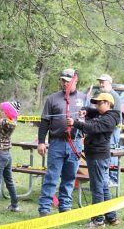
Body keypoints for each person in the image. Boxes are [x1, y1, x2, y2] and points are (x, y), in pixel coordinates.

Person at [67, 93, 120, 227]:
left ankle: (98, 220)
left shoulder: (110, 118)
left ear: (108, 103)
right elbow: (91, 111)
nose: (96, 105)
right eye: (95, 103)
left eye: (99, 103)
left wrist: (75, 123)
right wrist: (85, 109)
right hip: (97, 156)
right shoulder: (101, 114)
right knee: (103, 187)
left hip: (98, 157)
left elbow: (93, 127)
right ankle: (111, 217)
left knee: (97, 188)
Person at [37, 68, 86, 216]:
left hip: (75, 143)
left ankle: (65, 207)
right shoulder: (52, 99)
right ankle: (44, 208)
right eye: (62, 80)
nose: (64, 83)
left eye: (67, 81)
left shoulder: (84, 98)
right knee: (51, 176)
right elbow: (45, 121)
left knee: (69, 177)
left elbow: (91, 120)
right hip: (56, 143)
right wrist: (41, 142)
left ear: (75, 80)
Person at [97, 74, 122, 187]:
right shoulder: (103, 95)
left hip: (113, 129)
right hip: (104, 128)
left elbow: (115, 116)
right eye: (100, 82)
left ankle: (113, 179)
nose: (101, 84)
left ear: (109, 83)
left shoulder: (114, 96)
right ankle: (105, 177)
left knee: (112, 153)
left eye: (103, 82)